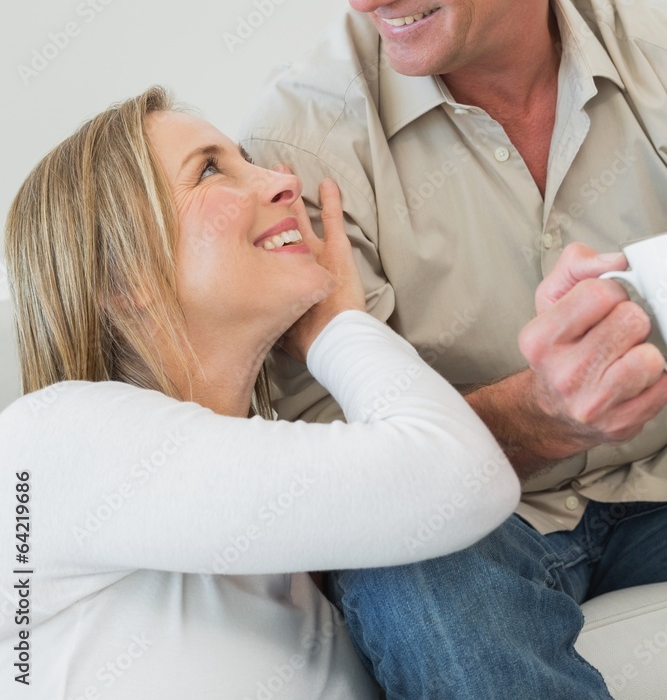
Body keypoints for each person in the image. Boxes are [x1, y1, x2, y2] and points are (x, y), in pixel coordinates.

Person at [238, 0, 667, 698]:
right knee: (411, 576)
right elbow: (337, 475)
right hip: (469, 520)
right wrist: (547, 413)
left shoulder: (653, 60)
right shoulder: (295, 147)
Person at [0, 85, 522, 698]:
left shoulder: (296, 565)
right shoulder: (51, 442)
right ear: (124, 278)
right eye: (211, 169)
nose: (283, 181)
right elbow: (461, 478)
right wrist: (339, 327)